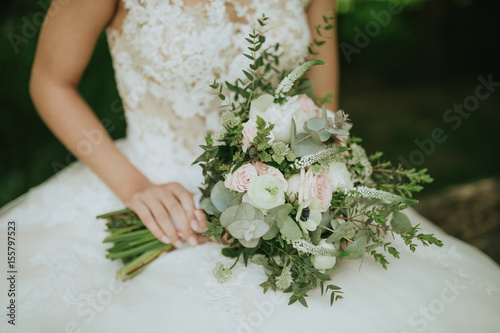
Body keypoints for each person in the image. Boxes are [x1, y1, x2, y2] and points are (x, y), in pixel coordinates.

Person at [1, 0, 499, 332]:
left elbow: (322, 107)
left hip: (289, 190)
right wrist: (135, 188)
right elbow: (50, 80)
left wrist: (309, 182)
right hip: (147, 184)